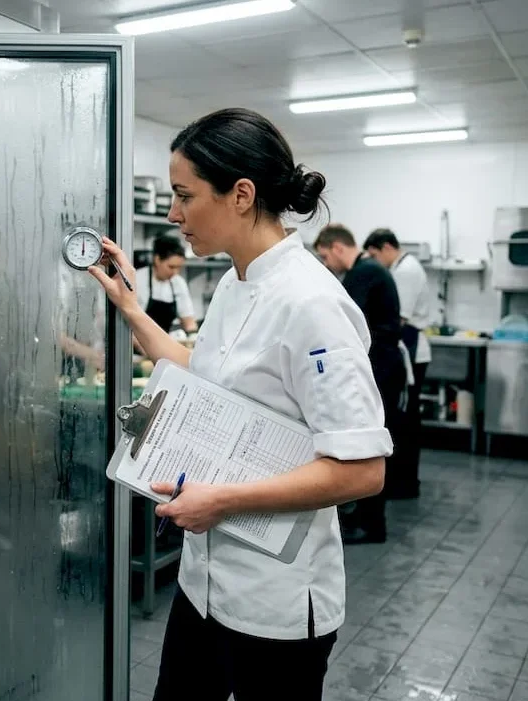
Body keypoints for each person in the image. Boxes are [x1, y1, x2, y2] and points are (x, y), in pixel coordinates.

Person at [87, 108, 391, 701]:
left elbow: (362, 469)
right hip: (203, 586)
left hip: (275, 604)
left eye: (184, 195)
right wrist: (129, 307)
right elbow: (201, 376)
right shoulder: (234, 281)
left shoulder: (311, 304)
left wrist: (220, 500)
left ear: (241, 195)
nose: (173, 215)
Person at [313, 225, 406, 545]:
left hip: (379, 365)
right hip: (384, 363)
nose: (326, 264)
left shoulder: (362, 274)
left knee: (365, 447)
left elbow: (341, 325)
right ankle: (366, 519)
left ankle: (371, 525)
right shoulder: (371, 268)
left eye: (325, 256)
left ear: (338, 248)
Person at [364, 229, 433, 499]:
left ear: (386, 248)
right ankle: (403, 482)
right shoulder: (403, 267)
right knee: (404, 419)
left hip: (410, 350)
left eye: (373, 255)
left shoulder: (406, 271)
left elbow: (398, 318)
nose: (373, 261)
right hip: (408, 348)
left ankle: (404, 484)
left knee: (404, 420)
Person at [136, 235, 198, 333]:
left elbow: (189, 321)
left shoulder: (178, 283)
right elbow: (131, 325)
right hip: (138, 342)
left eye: (178, 268)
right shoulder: (137, 279)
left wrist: (193, 337)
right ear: (157, 260)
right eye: (171, 267)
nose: (175, 272)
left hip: (164, 343)